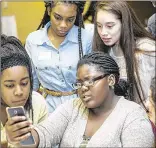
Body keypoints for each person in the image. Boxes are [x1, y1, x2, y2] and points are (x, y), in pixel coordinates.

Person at [5, 52, 154, 147]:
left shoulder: (133, 116)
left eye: (89, 81)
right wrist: (23, 136)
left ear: (111, 80)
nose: (83, 88)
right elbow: (45, 133)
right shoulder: (72, 107)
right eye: (79, 83)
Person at [25, 1, 93, 113]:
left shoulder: (86, 39)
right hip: (47, 109)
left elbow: (93, 80)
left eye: (70, 19)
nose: (63, 25)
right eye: (57, 17)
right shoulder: (33, 41)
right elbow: (32, 84)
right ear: (49, 11)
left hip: (81, 107)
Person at [93, 1, 156, 110]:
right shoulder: (106, 51)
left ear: (124, 23)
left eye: (109, 26)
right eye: (99, 26)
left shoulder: (146, 50)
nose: (103, 32)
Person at [1, 34, 48, 147]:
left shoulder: (37, 104)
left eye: (24, 83)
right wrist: (5, 139)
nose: (19, 92)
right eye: (10, 85)